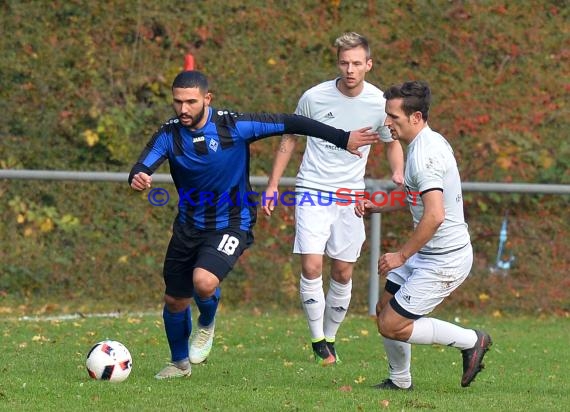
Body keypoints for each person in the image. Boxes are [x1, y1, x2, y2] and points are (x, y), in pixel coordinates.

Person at [128, 70, 380, 379]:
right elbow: (143, 162)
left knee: (204, 282)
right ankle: (179, 364)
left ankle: (207, 322)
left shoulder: (234, 126)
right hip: (188, 225)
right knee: (175, 299)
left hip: (233, 221)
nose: (183, 109)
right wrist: (138, 175)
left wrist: (342, 138)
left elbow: (292, 122)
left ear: (207, 99)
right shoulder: (169, 133)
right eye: (177, 102)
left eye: (191, 102)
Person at [261, 32, 404, 365]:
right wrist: (272, 184)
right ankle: (317, 341)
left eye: (357, 63)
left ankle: (330, 337)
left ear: (368, 64)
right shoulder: (314, 97)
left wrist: (397, 171)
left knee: (342, 272)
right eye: (344, 62)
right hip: (311, 189)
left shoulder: (378, 102)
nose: (350, 69)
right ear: (337, 63)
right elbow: (290, 138)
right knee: (311, 266)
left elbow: (392, 140)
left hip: (350, 195)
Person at [355, 80, 492, 389]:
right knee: (384, 310)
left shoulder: (424, 156)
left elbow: (435, 216)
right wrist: (378, 206)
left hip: (444, 259)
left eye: (394, 117)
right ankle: (400, 381)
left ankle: (472, 340)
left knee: (391, 324)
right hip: (427, 253)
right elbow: (414, 196)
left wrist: (400, 255)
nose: (387, 123)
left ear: (415, 117)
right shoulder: (426, 143)